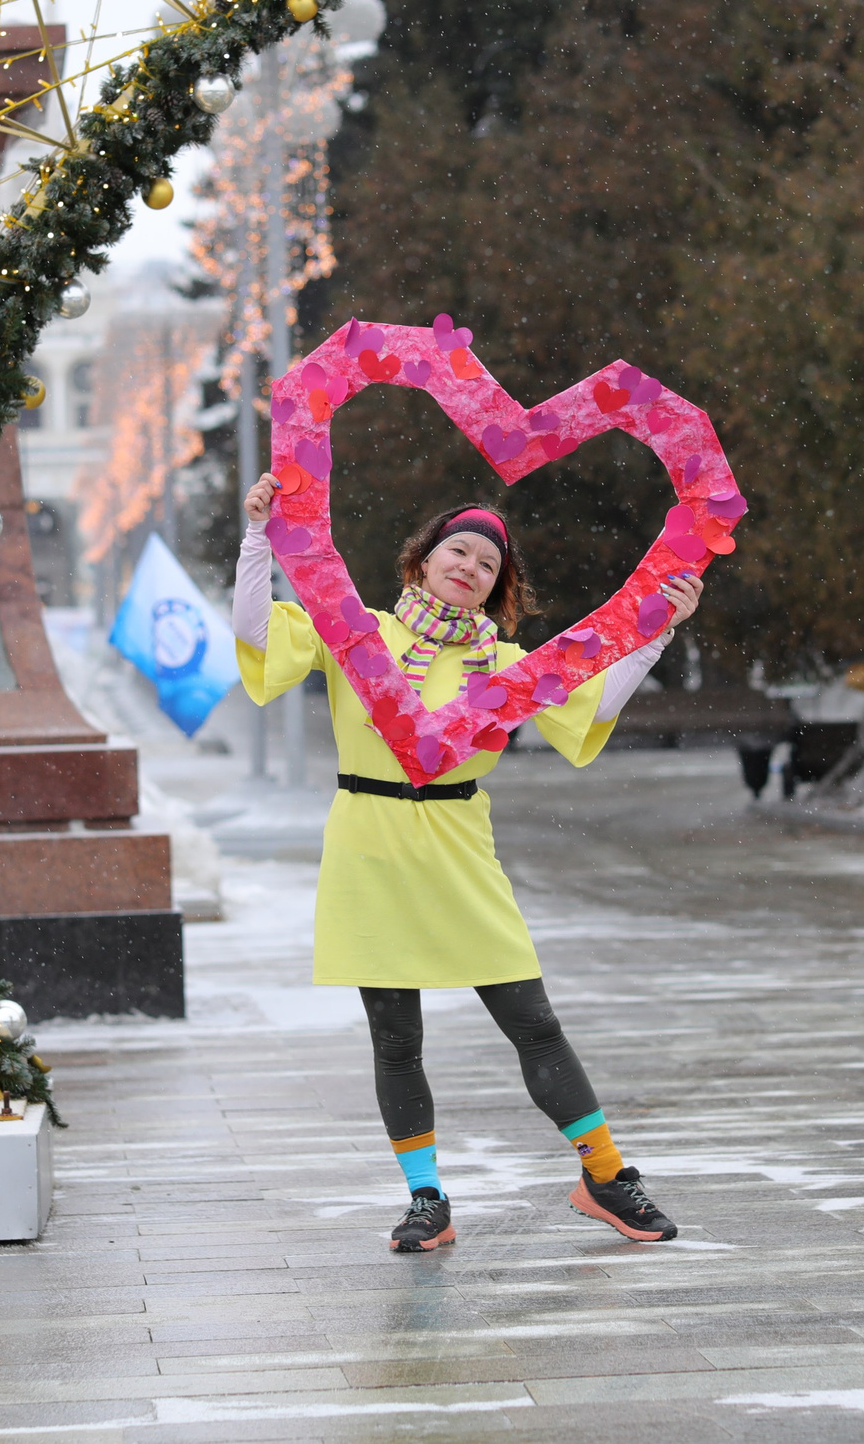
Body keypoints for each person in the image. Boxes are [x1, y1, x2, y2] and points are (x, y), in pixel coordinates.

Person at [235, 477, 702, 1253]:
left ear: (497, 587)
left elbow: (589, 702)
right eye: (459, 550)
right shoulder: (359, 632)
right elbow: (256, 631)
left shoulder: (504, 662)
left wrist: (656, 635)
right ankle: (428, 1200)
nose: (471, 567)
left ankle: (606, 1175)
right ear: (422, 560)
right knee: (396, 1038)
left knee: (533, 1021)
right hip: (369, 847)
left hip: (459, 844)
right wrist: (258, 536)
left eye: (489, 564)